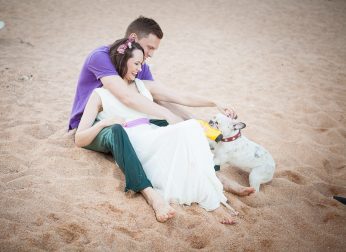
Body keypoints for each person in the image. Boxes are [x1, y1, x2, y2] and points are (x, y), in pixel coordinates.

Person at [69, 16, 254, 223]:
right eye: (148, 49)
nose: (145, 61)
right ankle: (150, 194)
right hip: (95, 124)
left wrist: (211, 105)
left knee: (186, 128)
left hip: (135, 124)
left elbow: (169, 97)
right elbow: (126, 97)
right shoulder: (101, 58)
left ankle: (214, 175)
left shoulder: (139, 72)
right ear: (132, 40)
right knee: (119, 129)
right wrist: (167, 115)